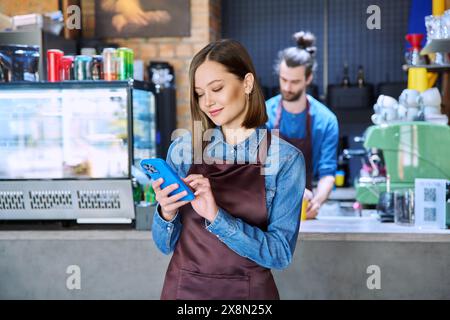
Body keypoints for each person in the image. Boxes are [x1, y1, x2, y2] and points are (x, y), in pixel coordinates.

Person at [151, 39, 305, 300]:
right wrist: (166, 212)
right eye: (200, 93)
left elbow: (280, 254)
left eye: (217, 88)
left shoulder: (285, 160)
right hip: (185, 292)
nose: (207, 102)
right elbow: (164, 245)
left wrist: (216, 217)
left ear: (247, 83)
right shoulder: (183, 150)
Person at [266, 31, 339, 220]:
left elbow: (327, 172)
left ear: (308, 78)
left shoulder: (326, 121)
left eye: (295, 81)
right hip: (266, 207)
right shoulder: (263, 114)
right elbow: (256, 168)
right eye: (284, 80)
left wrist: (317, 201)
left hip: (304, 211)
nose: (288, 88)